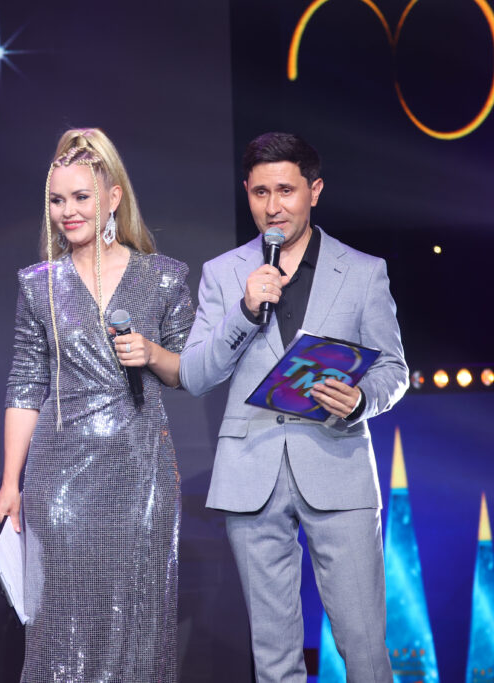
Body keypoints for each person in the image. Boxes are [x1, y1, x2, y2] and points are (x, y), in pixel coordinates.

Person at [180, 132, 408, 683]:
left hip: (337, 466)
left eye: (286, 190)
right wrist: (243, 310)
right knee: (274, 656)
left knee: (364, 647)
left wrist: (359, 400)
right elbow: (195, 374)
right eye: (260, 193)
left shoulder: (362, 271)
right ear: (247, 193)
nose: (273, 206)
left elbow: (394, 370)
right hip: (250, 470)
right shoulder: (224, 273)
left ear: (315, 190)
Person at [0, 128, 195, 682]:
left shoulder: (164, 278)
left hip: (141, 470)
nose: (68, 211)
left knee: (138, 618)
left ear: (112, 197)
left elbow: (189, 372)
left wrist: (152, 353)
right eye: (57, 200)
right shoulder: (39, 285)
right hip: (59, 476)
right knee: (62, 625)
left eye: (81, 197)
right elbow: (25, 383)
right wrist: (11, 482)